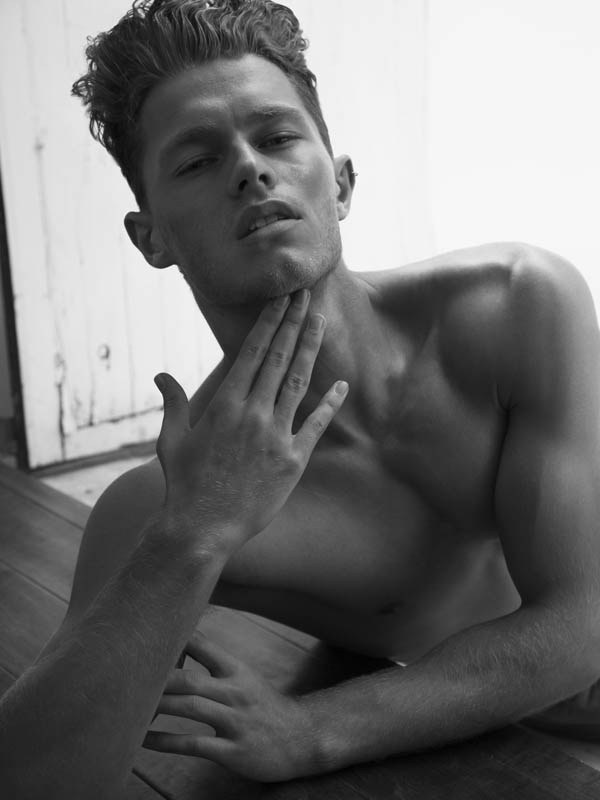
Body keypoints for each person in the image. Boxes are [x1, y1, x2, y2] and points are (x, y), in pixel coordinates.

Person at [2, 0, 600, 796]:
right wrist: (194, 534)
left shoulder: (517, 305)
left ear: (341, 183)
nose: (250, 169)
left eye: (278, 137)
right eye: (198, 161)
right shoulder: (169, 498)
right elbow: (36, 779)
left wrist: (314, 730)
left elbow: (582, 622)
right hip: (512, 745)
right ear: (151, 239)